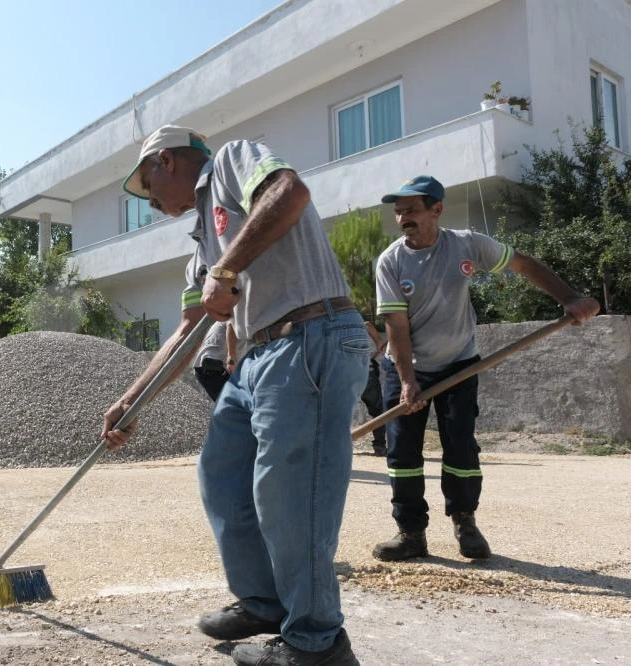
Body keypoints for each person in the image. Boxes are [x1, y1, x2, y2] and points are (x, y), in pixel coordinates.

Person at [102, 125, 368, 666]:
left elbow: (288, 192)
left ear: (167, 160)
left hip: (308, 336)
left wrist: (226, 268)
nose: (148, 199)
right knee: (222, 477)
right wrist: (134, 400)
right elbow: (188, 329)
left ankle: (316, 643)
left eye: (146, 182)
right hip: (255, 356)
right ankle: (265, 603)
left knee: (291, 496)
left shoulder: (229, 162)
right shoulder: (202, 241)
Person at [371, 175, 599, 562]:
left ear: (436, 210)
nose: (402, 218)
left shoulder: (468, 244)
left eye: (410, 210)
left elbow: (524, 265)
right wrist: (408, 380)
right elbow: (396, 326)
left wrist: (571, 297)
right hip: (405, 366)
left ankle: (465, 522)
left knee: (460, 445)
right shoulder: (391, 261)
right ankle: (410, 533)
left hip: (458, 363)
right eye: (398, 212)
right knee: (402, 452)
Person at [360, 319, 387, 456]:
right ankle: (380, 446)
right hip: (366, 374)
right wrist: (378, 342)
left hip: (344, 375)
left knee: (340, 412)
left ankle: (336, 446)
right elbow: (367, 325)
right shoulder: (359, 324)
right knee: (377, 411)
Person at [193, 320, 236, 402]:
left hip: (208, 366)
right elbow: (231, 324)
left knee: (233, 404)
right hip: (212, 366)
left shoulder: (223, 319)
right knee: (233, 405)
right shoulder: (234, 317)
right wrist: (231, 358)